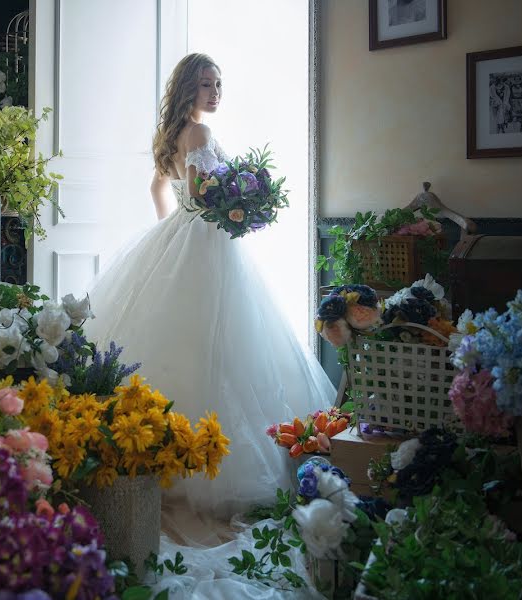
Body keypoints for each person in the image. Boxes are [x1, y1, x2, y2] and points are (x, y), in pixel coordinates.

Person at [83, 53, 335, 591]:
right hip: (205, 242)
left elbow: (163, 190)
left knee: (195, 346)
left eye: (218, 83)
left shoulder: (176, 133)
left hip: (187, 238)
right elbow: (199, 195)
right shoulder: (196, 132)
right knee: (215, 348)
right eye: (205, 83)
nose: (215, 91)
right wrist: (231, 202)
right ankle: (201, 465)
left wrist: (169, 232)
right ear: (187, 89)